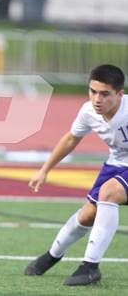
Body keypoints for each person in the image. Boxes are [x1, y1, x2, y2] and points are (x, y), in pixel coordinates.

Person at [24, 64, 127, 286]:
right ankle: (52, 255)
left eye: (104, 94)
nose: (97, 99)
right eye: (93, 91)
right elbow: (71, 139)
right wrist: (45, 170)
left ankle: (90, 267)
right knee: (86, 216)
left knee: (108, 193)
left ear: (120, 94)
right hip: (116, 164)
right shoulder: (88, 111)